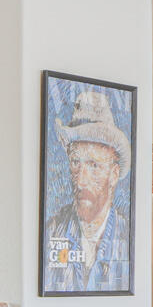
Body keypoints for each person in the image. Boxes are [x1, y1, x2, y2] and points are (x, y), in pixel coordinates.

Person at [43, 87, 131, 292]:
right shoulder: (52, 232)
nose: (81, 180)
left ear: (114, 174)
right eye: (75, 162)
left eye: (93, 165)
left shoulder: (127, 237)